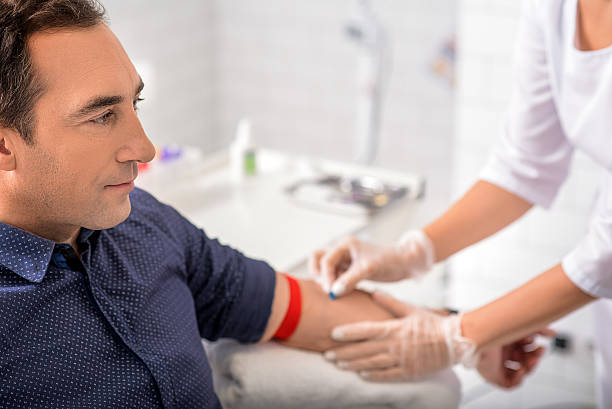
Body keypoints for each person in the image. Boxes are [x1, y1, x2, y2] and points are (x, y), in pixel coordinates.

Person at [0, 1, 460, 407]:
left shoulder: (145, 224)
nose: (144, 148)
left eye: (134, 105)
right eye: (101, 116)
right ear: (5, 145)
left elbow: (295, 308)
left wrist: (460, 333)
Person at [311, 0, 612, 406]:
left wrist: (463, 335)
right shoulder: (552, 8)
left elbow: (604, 254)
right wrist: (410, 254)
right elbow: (524, 167)